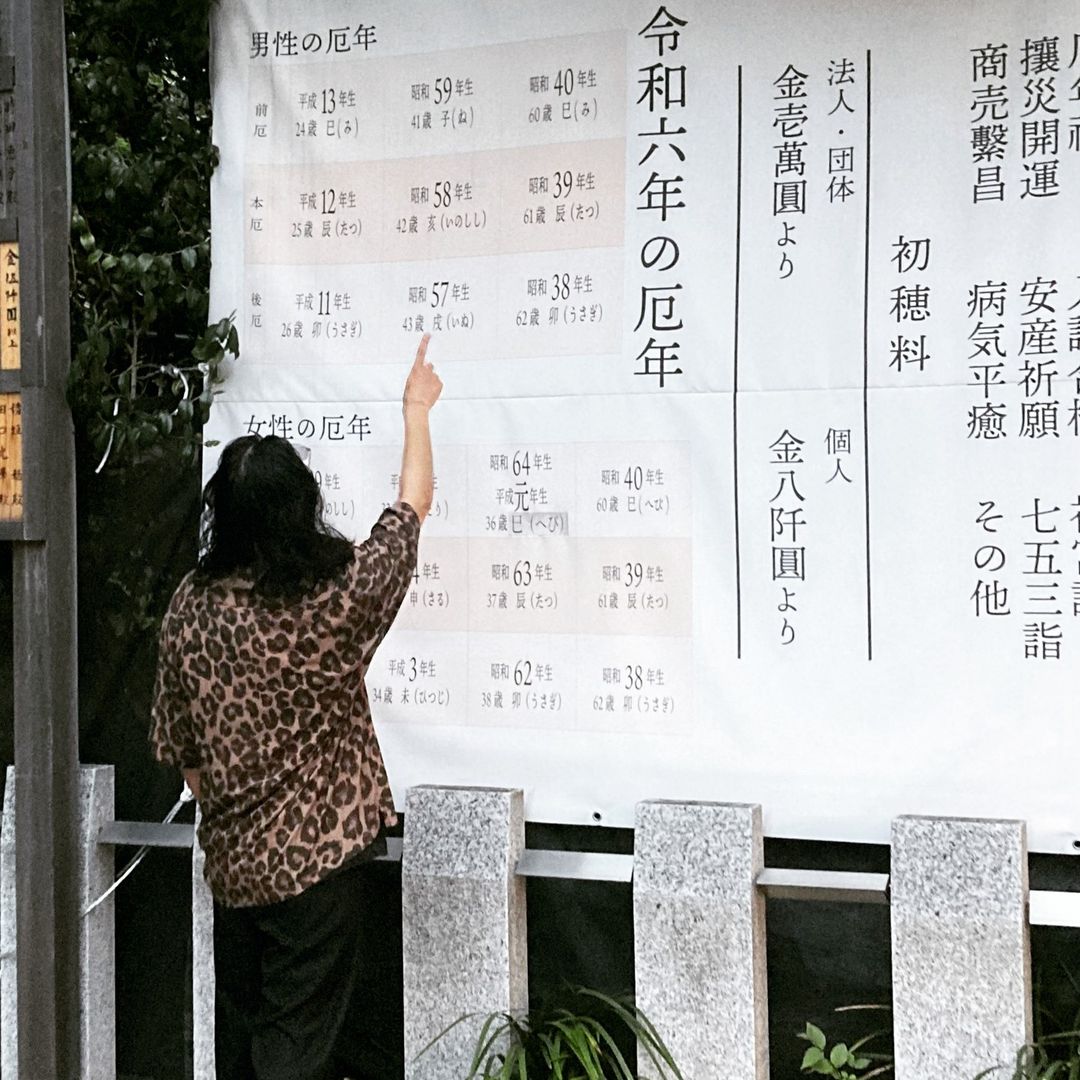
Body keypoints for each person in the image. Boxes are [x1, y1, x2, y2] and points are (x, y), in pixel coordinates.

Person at [150, 335, 442, 1080]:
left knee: (251, 1042)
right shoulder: (328, 602)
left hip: (236, 869)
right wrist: (415, 410)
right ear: (300, 509)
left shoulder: (191, 607)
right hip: (318, 873)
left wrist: (236, 801)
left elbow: (177, 748)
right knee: (293, 1049)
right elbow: (407, 515)